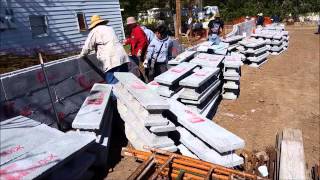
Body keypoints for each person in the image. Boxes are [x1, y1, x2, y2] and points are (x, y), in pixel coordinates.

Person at [80, 15, 129, 84]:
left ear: (94, 25)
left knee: (113, 85)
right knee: (125, 82)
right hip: (122, 57)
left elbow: (87, 46)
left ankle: (115, 94)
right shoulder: (110, 28)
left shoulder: (95, 31)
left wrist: (82, 54)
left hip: (111, 60)